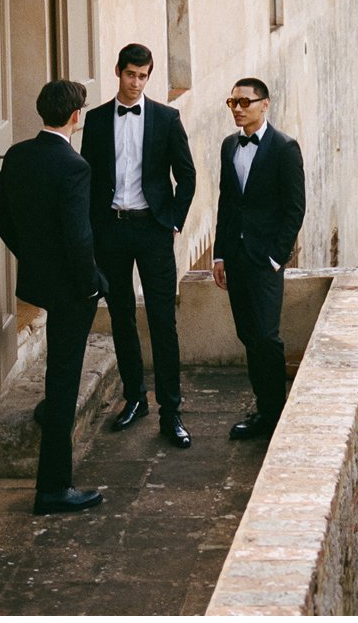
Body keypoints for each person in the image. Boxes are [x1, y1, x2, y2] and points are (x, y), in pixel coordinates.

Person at [0, 79, 106, 514]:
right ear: (76, 116)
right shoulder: (75, 166)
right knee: (64, 380)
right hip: (72, 288)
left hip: (39, 282)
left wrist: (34, 257)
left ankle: (48, 413)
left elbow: (0, 216)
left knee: (58, 378)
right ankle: (53, 489)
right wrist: (91, 284)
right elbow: (78, 238)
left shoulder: (19, 155)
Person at [79, 43, 196, 449]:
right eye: (130, 74)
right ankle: (134, 399)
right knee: (122, 317)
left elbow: (187, 175)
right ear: (118, 72)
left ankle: (171, 411)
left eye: (143, 76)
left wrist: (174, 222)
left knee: (163, 320)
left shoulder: (166, 118)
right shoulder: (94, 121)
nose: (136, 82)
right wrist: (92, 230)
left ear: (149, 76)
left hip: (152, 229)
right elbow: (88, 180)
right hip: (111, 230)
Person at [211, 78, 306, 441]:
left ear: (264, 105)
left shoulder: (284, 148)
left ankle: (273, 413)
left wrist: (276, 258)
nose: (237, 108)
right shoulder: (227, 146)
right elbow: (227, 202)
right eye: (232, 101)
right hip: (235, 257)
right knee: (248, 334)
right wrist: (220, 254)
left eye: (244, 102)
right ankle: (264, 408)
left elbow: (294, 208)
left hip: (264, 260)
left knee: (267, 337)